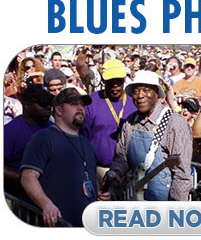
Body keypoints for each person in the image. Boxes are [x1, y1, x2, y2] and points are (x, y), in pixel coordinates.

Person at [20, 88, 110, 227]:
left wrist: (98, 195)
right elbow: (28, 176)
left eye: (82, 104)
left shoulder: (85, 142)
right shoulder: (43, 138)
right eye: (74, 104)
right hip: (59, 223)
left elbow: (88, 176)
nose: (80, 108)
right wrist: (46, 204)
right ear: (59, 110)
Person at [110, 70, 193, 201]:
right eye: (136, 91)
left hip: (163, 204)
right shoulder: (131, 121)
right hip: (134, 199)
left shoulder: (174, 123)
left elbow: (182, 174)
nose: (140, 96)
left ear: (157, 94)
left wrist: (175, 210)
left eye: (146, 90)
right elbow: (122, 157)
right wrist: (116, 172)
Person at [80, 59, 137, 183]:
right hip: (100, 171)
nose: (115, 86)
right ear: (104, 80)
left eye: (119, 82)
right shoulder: (91, 102)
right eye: (111, 82)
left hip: (130, 171)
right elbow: (82, 139)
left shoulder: (135, 103)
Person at [4, 85, 54, 197]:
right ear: (26, 104)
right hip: (22, 199)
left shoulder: (54, 128)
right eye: (42, 103)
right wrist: (27, 179)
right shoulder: (10, 131)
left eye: (50, 103)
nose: (48, 107)